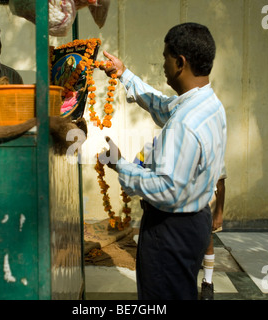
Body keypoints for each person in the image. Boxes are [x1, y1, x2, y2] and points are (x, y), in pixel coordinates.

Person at [100, 22, 227, 300]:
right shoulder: (207, 105)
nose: (163, 65)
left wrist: (120, 164)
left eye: (165, 58)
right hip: (195, 223)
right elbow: (162, 106)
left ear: (180, 62)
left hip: (171, 230)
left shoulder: (186, 122)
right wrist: (124, 75)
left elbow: (167, 190)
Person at [200, 173, 226, 300]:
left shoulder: (216, 152)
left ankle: (208, 282)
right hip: (185, 200)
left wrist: (219, 213)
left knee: (207, 240)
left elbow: (221, 185)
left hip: (208, 198)